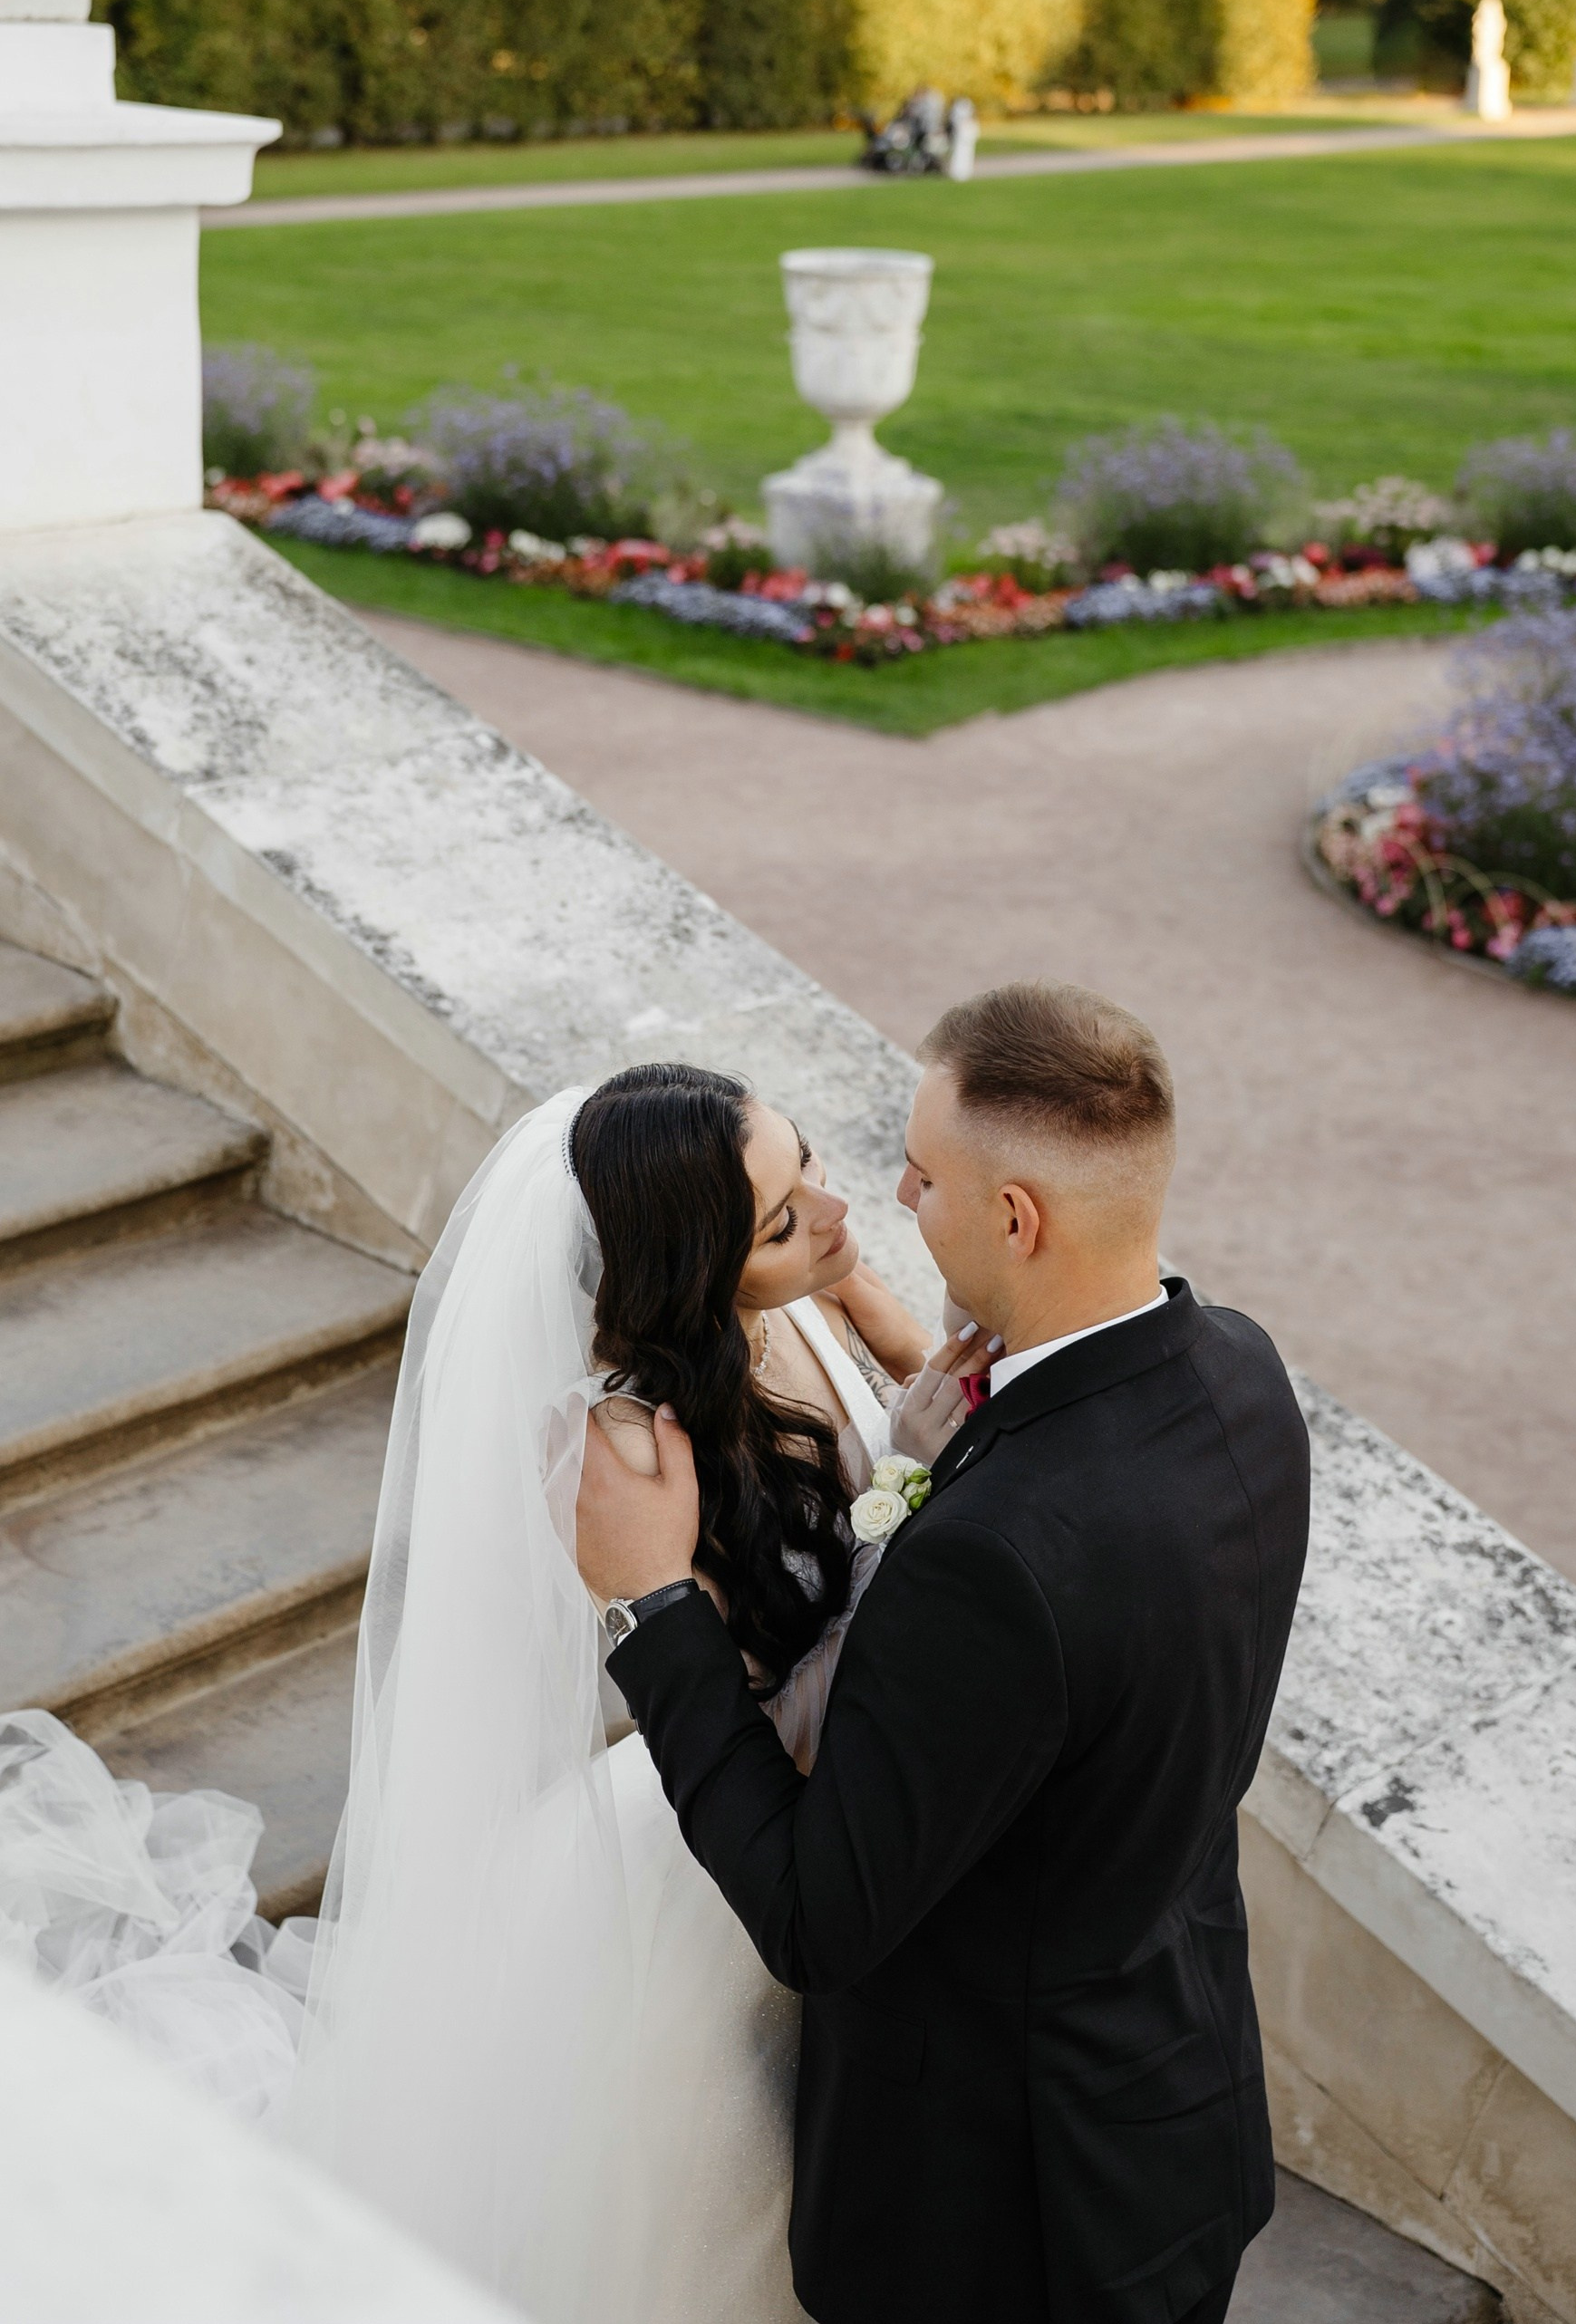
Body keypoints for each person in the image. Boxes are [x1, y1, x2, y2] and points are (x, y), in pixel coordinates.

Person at [0, 1063, 982, 2324]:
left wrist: (898, 1346)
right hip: (738, 1824)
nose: (841, 1219)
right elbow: (726, 1681)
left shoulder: (811, 1295)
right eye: (786, 1221)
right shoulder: (631, 1452)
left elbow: (894, 1418)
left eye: (809, 1169)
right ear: (689, 1280)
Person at [579, 981, 1312, 2324]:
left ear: (1016, 1219)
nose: (889, 1204)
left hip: (1003, 2219)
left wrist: (649, 1607)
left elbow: (814, 1918)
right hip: (1176, 2102)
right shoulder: (1242, 1376)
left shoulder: (994, 1563)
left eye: (920, 1178)